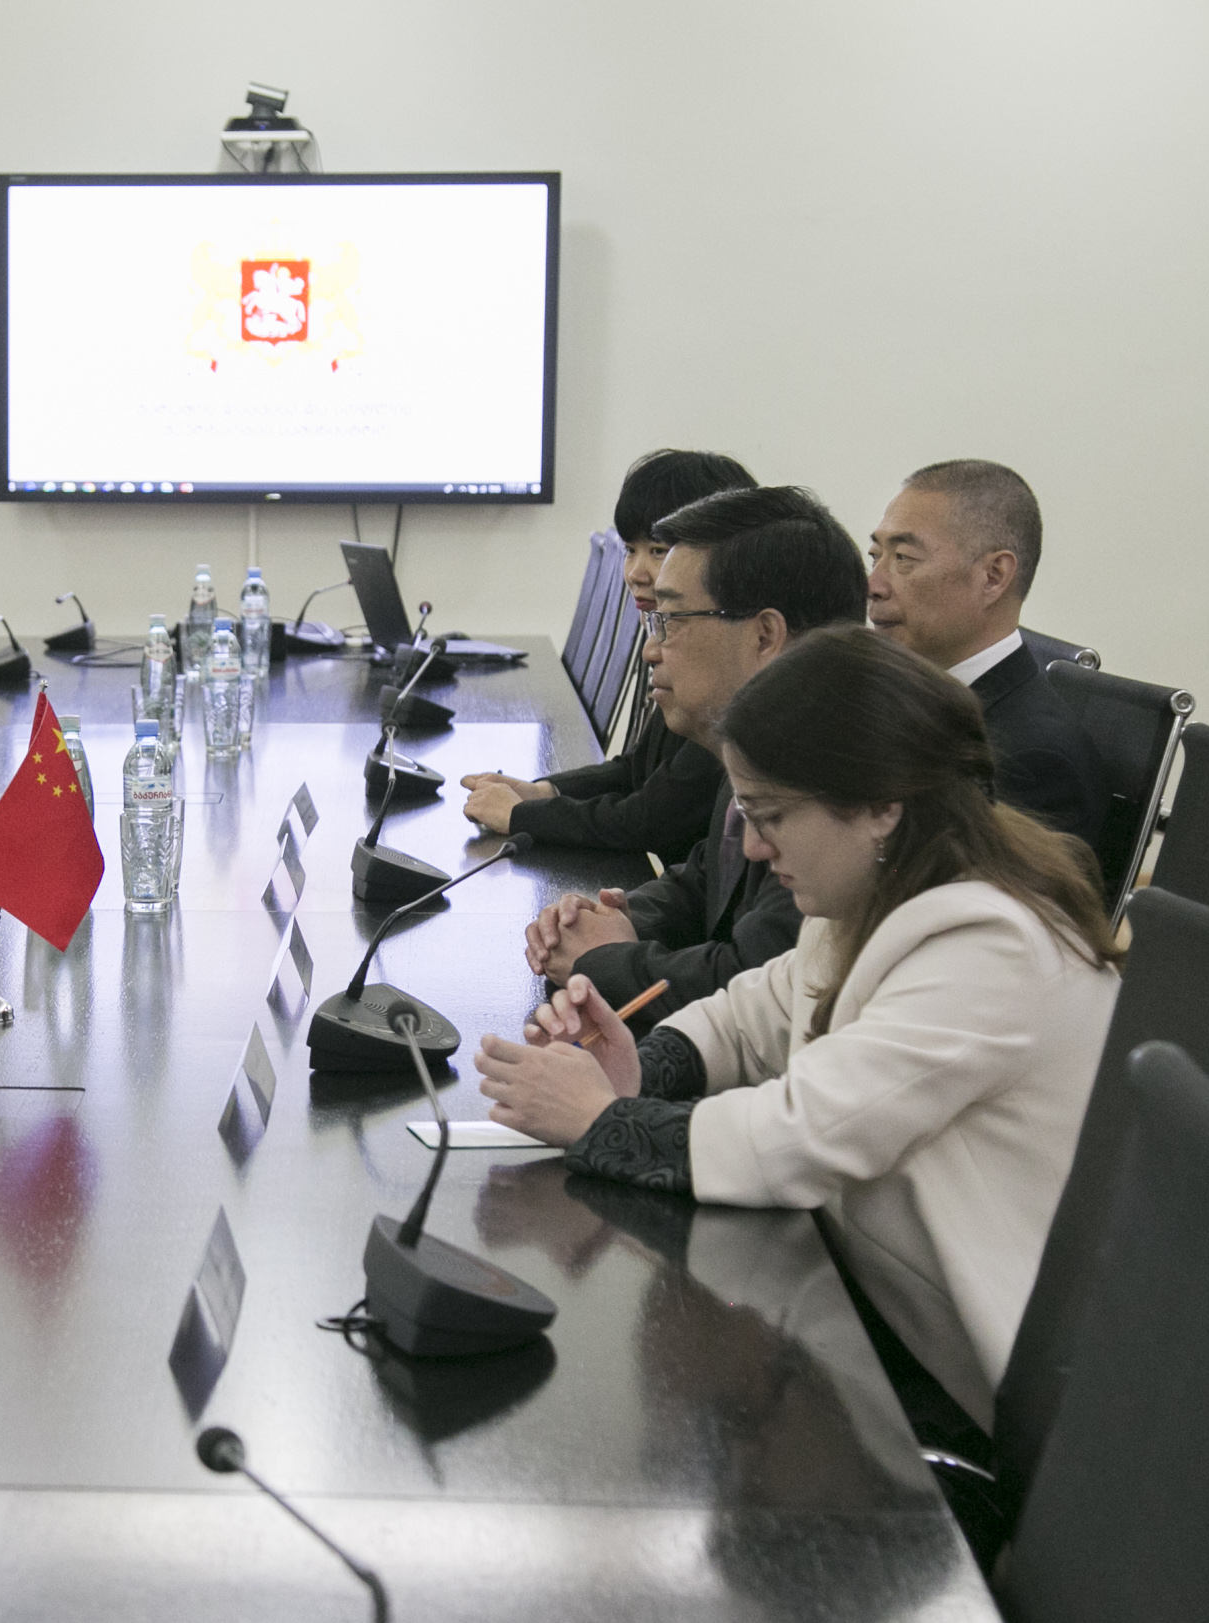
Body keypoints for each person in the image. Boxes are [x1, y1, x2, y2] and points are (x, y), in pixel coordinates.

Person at [472, 625, 1121, 1476]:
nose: (751, 846)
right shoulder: (881, 893)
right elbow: (750, 1015)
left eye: (771, 816)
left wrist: (602, 1118)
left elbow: (800, 1139)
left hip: (978, 1391)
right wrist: (637, 1064)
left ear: (883, 804)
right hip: (877, 1312)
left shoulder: (991, 946)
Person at [524, 485, 868, 1025]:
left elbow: (749, 983)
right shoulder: (762, 738)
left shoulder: (845, 779)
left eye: (670, 621)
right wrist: (617, 918)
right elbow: (708, 877)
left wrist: (600, 960)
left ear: (765, 636)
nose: (650, 649)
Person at [462, 449, 752, 861]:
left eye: (657, 550)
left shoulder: (726, 668)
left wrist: (522, 816)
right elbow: (635, 770)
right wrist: (542, 792)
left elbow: (651, 819)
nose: (635, 572)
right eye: (630, 549)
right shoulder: (677, 642)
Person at [865, 460, 1108, 852]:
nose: (874, 585)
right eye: (875, 555)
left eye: (903, 558)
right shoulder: (896, 698)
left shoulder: (1033, 761)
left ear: (993, 576)